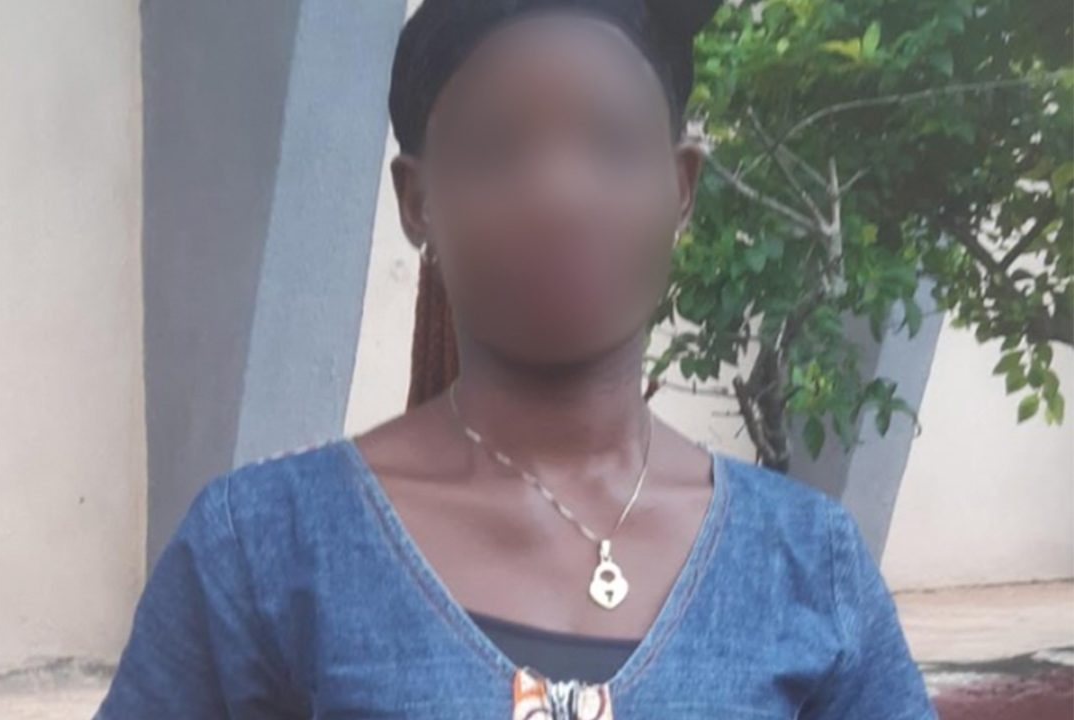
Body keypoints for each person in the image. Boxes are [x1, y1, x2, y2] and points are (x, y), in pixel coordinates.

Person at [95, 1, 938, 718]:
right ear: (418, 202)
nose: (560, 195)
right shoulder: (260, 547)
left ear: (680, 188)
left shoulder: (807, 560)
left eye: (613, 145)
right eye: (496, 150)